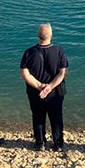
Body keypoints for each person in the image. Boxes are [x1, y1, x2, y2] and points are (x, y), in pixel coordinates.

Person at [20, 23, 68, 151]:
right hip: (56, 92)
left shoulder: (29, 52)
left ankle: (40, 143)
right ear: (51, 36)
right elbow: (62, 73)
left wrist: (40, 86)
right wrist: (49, 87)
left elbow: (25, 74)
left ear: (37, 36)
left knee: (38, 116)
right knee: (56, 117)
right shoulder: (59, 51)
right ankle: (58, 144)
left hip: (35, 92)